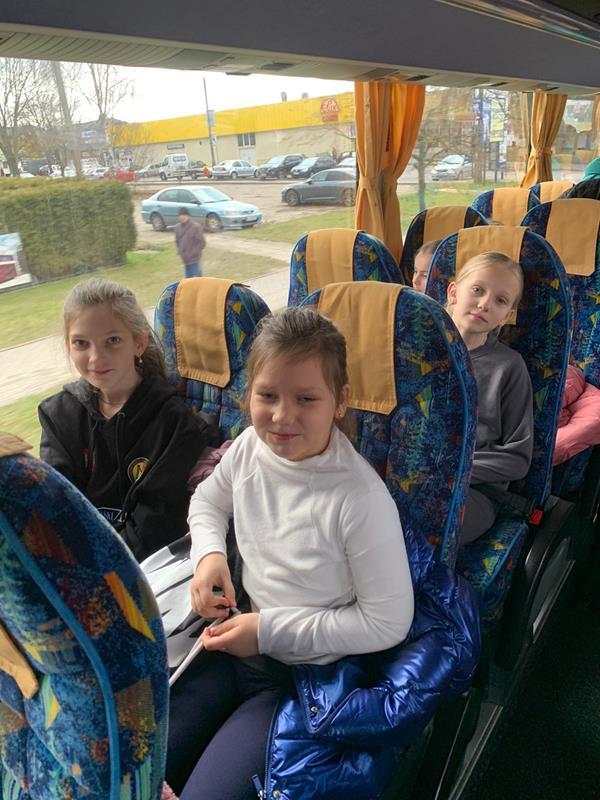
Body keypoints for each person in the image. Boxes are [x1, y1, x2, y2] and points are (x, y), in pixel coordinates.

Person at [167, 307, 414, 798]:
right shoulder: (248, 449)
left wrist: (267, 632)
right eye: (267, 396)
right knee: (130, 759)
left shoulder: (359, 498)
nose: (282, 416)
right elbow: (208, 502)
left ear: (340, 401)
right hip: (235, 643)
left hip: (302, 681)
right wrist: (210, 556)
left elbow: (388, 622)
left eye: (306, 398)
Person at [38, 278, 216, 562]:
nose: (96, 358)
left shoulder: (174, 424)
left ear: (139, 343)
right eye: (81, 343)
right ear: (68, 347)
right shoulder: (59, 416)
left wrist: (95, 566)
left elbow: (154, 527)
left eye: (112, 341)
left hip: (139, 564)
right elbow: (55, 504)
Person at [446, 252, 534, 544]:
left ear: (507, 316)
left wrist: (452, 470)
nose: (485, 304)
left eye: (500, 300)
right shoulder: (414, 352)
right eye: (477, 289)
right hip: (407, 479)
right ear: (453, 292)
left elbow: (517, 457)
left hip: (475, 491)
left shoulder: (509, 367)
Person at [175, 208, 206, 278]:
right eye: (181, 215)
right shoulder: (177, 228)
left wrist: (194, 253)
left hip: (195, 259)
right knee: (187, 280)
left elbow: (202, 243)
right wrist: (180, 251)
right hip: (185, 259)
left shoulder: (196, 227)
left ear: (188, 216)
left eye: (184, 215)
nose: (182, 217)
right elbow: (177, 241)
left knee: (199, 279)